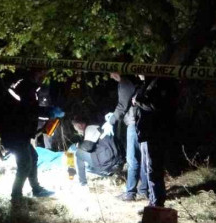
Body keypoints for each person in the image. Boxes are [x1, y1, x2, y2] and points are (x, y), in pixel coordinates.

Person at [0, 70, 64, 199]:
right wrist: (50, 112)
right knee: (25, 163)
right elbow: (29, 111)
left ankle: (36, 189)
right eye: (42, 74)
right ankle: (16, 196)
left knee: (33, 156)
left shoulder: (25, 85)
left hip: (18, 131)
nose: (44, 77)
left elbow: (27, 110)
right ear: (35, 74)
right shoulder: (27, 88)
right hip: (14, 132)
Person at [132, 76, 179, 207]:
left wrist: (138, 101)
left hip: (154, 133)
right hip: (147, 133)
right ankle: (153, 201)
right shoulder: (147, 84)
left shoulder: (159, 84)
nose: (138, 74)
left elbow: (155, 106)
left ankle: (157, 203)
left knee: (154, 169)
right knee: (149, 169)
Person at [107, 73, 148, 201]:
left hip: (134, 122)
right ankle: (144, 190)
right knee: (142, 158)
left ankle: (130, 193)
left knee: (132, 158)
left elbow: (122, 105)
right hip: (141, 121)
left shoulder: (125, 82)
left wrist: (111, 120)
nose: (110, 76)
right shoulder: (136, 81)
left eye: (110, 72)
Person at [71, 117, 122, 188]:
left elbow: (87, 147)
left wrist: (78, 145)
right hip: (113, 160)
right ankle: (110, 174)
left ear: (80, 125)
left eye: (77, 129)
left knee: (78, 154)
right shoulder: (96, 127)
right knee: (86, 166)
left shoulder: (90, 129)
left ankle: (82, 184)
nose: (78, 132)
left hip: (109, 161)